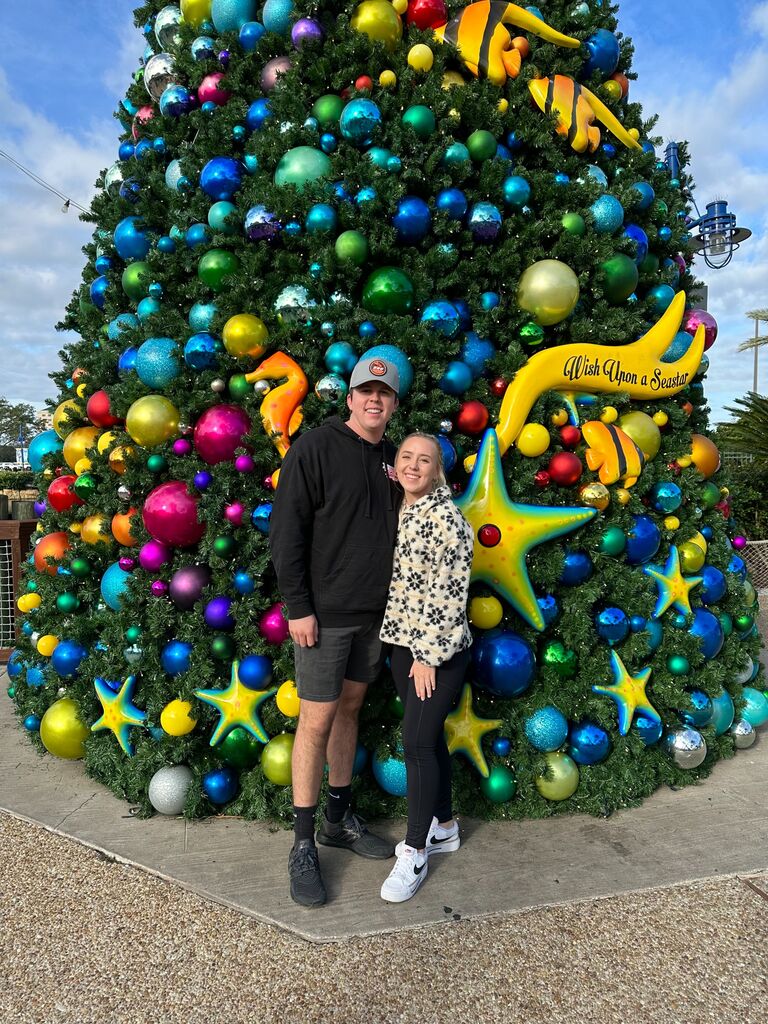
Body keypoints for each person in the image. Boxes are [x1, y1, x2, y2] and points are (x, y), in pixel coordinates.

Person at [269, 357, 401, 908]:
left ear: (394, 405)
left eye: (384, 394)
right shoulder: (316, 448)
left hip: (374, 616)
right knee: (316, 719)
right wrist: (298, 607)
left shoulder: (395, 460)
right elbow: (286, 530)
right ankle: (303, 844)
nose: (374, 400)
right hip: (323, 618)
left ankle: (338, 820)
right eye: (365, 392)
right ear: (349, 399)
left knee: (348, 712)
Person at [378, 432, 474, 903]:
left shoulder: (446, 519)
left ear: (438, 470)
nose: (414, 466)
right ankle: (447, 829)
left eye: (425, 460)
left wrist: (426, 657)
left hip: (433, 654)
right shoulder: (403, 508)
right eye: (406, 458)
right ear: (396, 465)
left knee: (415, 744)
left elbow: (448, 595)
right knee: (429, 738)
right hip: (400, 644)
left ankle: (415, 850)